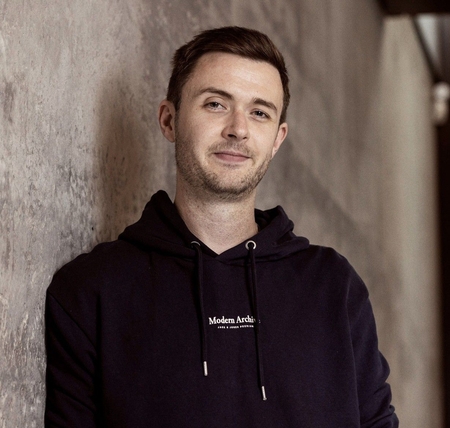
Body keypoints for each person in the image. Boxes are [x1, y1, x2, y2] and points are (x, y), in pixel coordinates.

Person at [45, 26, 399, 427]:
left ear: (277, 138)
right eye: (216, 104)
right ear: (169, 120)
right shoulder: (92, 291)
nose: (238, 128)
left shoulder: (334, 287)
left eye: (260, 112)